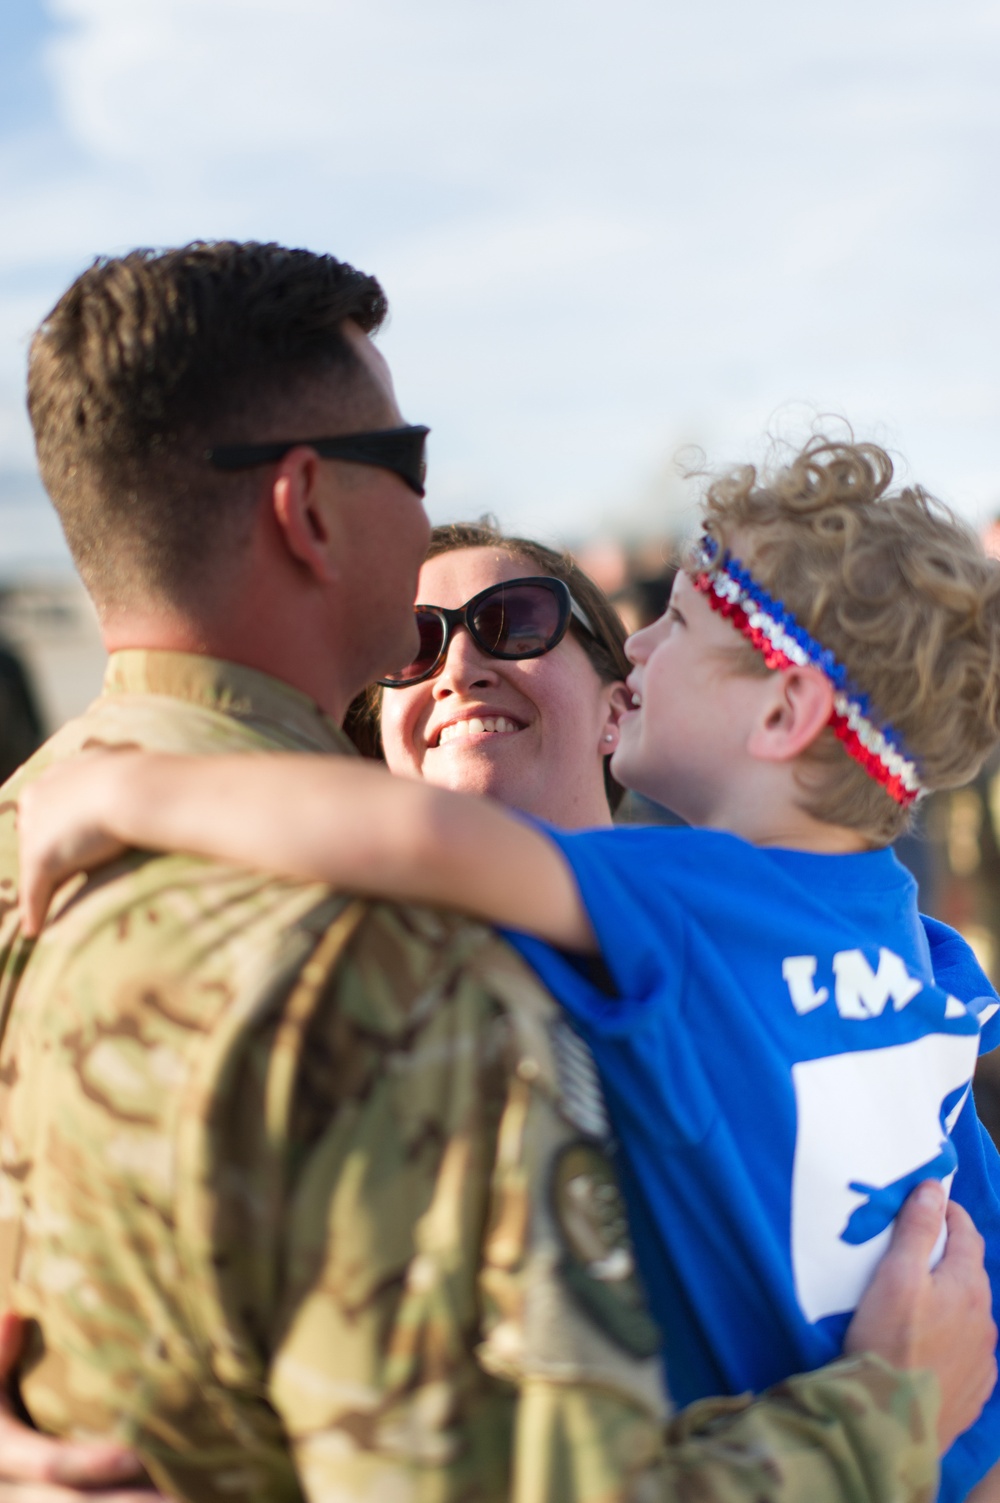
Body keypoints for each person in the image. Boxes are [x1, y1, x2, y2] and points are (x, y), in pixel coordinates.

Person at [0, 243, 991, 1503]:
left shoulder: (659, 913)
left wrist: (137, 787)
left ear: (605, 688)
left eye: (517, 624)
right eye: (418, 644)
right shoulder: (923, 968)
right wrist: (899, 1416)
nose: (461, 667)